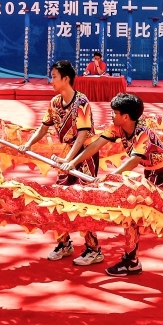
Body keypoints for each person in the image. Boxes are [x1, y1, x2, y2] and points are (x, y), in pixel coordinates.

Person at [67, 93, 163, 276]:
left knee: (137, 215)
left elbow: (133, 161)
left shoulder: (143, 133)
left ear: (125, 116)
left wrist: (111, 176)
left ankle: (131, 261)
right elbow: (95, 146)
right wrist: (71, 162)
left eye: (114, 113)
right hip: (152, 173)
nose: (111, 116)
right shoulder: (117, 128)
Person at [18, 60, 104, 266]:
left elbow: (83, 135)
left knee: (84, 202)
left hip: (85, 155)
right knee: (59, 199)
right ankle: (64, 243)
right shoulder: (55, 102)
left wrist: (70, 161)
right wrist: (27, 144)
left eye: (54, 77)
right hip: (67, 153)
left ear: (66, 79)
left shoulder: (82, 102)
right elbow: (43, 127)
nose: (51, 81)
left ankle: (94, 249)